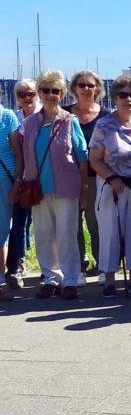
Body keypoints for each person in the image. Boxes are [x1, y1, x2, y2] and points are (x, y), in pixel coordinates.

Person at [20, 70, 88, 300]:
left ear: (62, 94)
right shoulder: (29, 124)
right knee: (43, 234)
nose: (50, 95)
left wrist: (83, 190)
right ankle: (50, 278)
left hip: (66, 188)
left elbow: (81, 155)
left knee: (67, 234)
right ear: (40, 92)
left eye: (56, 91)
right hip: (37, 188)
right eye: (46, 90)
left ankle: (70, 280)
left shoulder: (70, 121)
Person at [89, 74, 131, 297]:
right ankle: (108, 280)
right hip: (112, 185)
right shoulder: (104, 125)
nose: (128, 99)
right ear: (115, 98)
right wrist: (112, 178)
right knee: (110, 232)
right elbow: (94, 159)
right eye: (123, 95)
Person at [64, 70, 111, 278]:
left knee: (96, 223)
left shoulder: (106, 115)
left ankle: (102, 264)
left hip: (96, 177)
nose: (86, 89)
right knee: (72, 225)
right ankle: (78, 266)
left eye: (90, 85)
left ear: (97, 89)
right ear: (74, 88)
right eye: (81, 85)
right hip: (68, 178)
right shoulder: (64, 114)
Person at [6, 78, 40, 284]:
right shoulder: (15, 118)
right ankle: (18, 262)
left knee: (42, 222)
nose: (27, 98)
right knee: (19, 223)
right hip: (21, 178)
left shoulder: (45, 115)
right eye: (22, 95)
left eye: (31, 94)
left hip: (43, 176)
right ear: (17, 98)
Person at [0, 94, 22, 300]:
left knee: (1, 233)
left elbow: (18, 153)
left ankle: (0, 282)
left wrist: (17, 182)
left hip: (4, 182)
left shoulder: (7, 117)